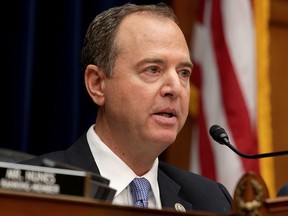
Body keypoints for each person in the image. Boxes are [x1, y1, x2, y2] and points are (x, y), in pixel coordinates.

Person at [21, 2, 232, 214]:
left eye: (183, 72)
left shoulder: (212, 200)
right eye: (153, 69)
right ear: (97, 84)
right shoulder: (27, 191)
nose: (176, 88)